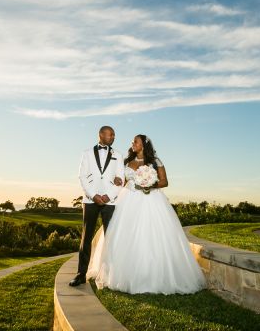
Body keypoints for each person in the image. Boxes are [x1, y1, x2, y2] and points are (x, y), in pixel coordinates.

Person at [87, 134, 205, 294]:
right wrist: (117, 181)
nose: (132, 143)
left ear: (143, 145)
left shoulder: (155, 161)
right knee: (124, 235)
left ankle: (152, 276)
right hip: (127, 200)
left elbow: (165, 181)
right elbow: (120, 180)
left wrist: (149, 184)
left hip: (151, 201)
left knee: (150, 235)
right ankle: (120, 274)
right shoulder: (126, 161)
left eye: (135, 141)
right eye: (133, 141)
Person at [69, 125, 125, 287]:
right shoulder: (86, 154)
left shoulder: (118, 155)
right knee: (86, 238)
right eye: (111, 134)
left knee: (111, 239)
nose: (113, 137)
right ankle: (80, 275)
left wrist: (108, 196)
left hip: (110, 201)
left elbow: (120, 178)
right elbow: (82, 176)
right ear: (101, 135)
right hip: (90, 201)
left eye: (114, 135)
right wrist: (93, 195)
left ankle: (112, 276)